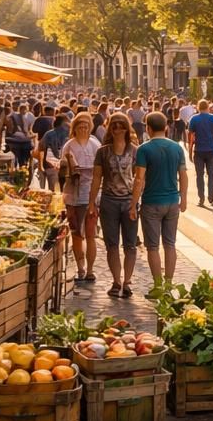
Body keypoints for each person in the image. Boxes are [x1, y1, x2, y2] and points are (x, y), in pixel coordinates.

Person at [131, 112, 187, 292]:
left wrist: (133, 204)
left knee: (153, 247)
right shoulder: (177, 148)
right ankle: (169, 284)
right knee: (170, 244)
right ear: (166, 127)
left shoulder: (144, 149)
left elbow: (139, 179)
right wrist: (183, 198)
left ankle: (158, 286)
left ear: (147, 128)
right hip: (172, 201)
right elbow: (183, 175)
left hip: (151, 202)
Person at [89, 112, 140, 299]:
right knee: (112, 244)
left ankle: (127, 282)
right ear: (109, 127)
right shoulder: (102, 152)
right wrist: (91, 203)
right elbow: (96, 178)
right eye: (114, 125)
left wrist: (135, 203)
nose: (118, 128)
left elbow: (139, 179)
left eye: (121, 124)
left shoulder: (135, 151)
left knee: (130, 245)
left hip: (128, 201)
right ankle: (116, 281)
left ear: (127, 128)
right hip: (109, 201)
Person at [60, 112, 101, 284]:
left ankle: (90, 269)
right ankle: (80, 267)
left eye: (86, 125)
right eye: (80, 125)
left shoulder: (95, 144)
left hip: (91, 195)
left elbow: (101, 169)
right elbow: (62, 169)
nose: (83, 128)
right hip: (73, 196)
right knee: (77, 234)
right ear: (74, 127)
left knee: (91, 234)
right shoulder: (69, 146)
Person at [187, 100, 213, 207]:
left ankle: (201, 197)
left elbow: (190, 135)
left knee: (199, 175)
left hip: (199, 151)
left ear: (198, 107)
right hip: (212, 150)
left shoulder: (194, 119)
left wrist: (190, 149)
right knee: (211, 175)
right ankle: (211, 196)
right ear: (208, 107)